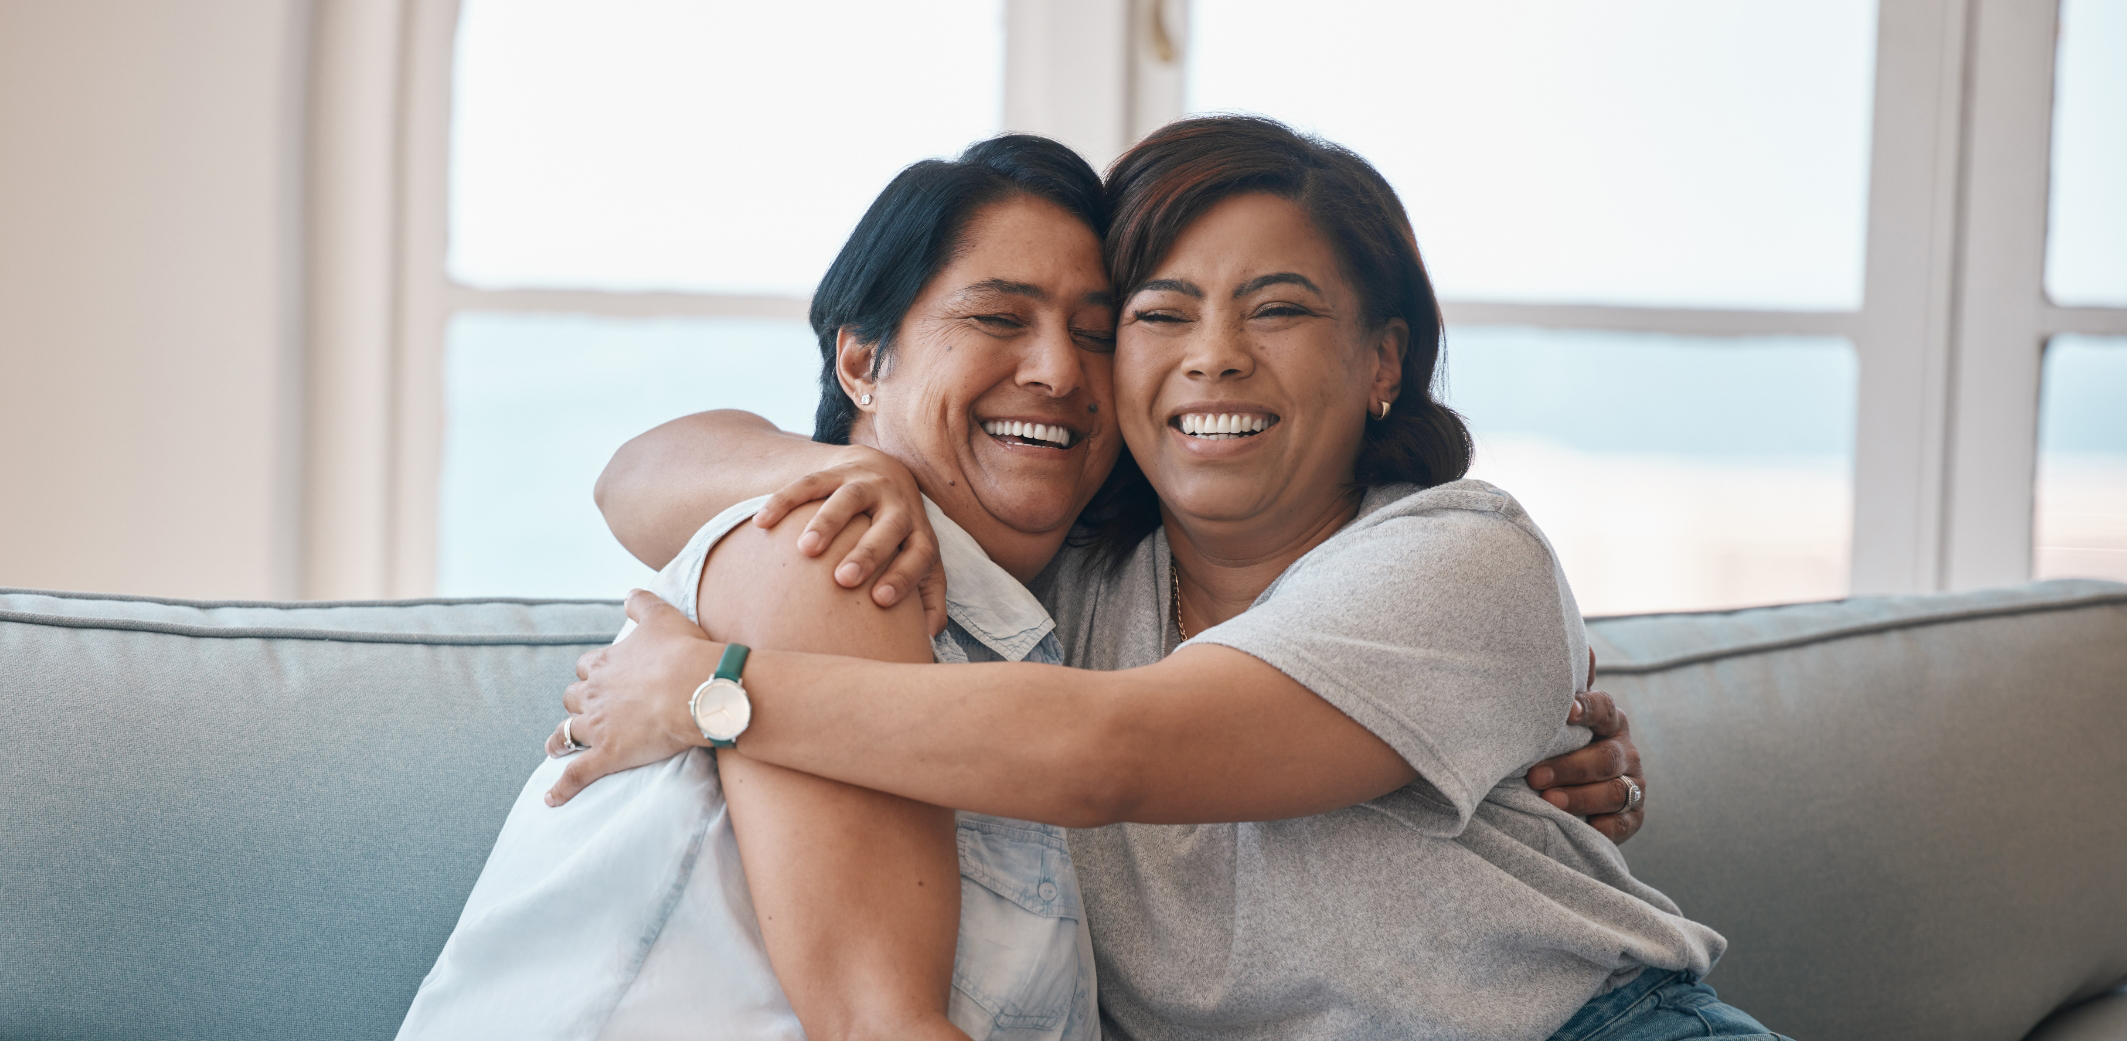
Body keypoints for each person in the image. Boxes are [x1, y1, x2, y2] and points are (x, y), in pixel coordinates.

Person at [560, 117, 1767, 1041]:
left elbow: (1110, 757)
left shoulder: (1459, 557)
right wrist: (830, 464)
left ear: (1383, 361)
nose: (1216, 357)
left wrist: (714, 692)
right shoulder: (1060, 583)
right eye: (1157, 313)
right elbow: (637, 476)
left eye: (1279, 309)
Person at [398, 135, 1127, 1041]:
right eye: (998, 319)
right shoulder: (836, 551)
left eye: (1096, 334)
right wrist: (854, 476)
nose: (1059, 370)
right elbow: (878, 1024)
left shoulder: (1040, 617)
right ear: (861, 362)